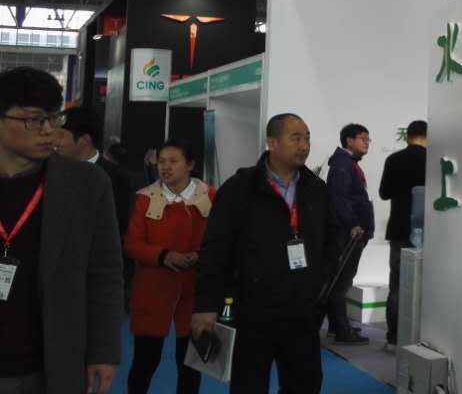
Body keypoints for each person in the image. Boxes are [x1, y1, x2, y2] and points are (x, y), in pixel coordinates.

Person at [193, 113, 346, 393]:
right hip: (252, 311)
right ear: (272, 143)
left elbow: (333, 238)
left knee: (306, 384)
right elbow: (215, 249)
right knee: (249, 386)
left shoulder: (315, 188)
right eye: (295, 138)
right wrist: (206, 304)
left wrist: (320, 280)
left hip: (302, 311)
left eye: (307, 138)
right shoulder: (240, 188)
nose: (304, 146)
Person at [0, 67, 122, 393]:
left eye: (54, 119)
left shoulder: (87, 184)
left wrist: (103, 350)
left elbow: (104, 273)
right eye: (33, 120)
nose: (48, 130)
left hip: (51, 359)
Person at [124, 140, 215, 394]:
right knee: (144, 361)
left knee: (190, 365)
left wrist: (200, 255)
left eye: (173, 161)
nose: (165, 167)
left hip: (195, 291)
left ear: (190, 165)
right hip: (152, 290)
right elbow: (132, 244)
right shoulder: (144, 198)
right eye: (161, 161)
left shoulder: (209, 196)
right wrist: (163, 255)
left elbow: (220, 240)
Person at [379, 119, 428, 347]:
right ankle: (420, 339)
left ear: (408, 136)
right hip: (428, 231)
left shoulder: (393, 159)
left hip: (399, 229)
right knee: (426, 285)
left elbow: (384, 193)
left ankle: (393, 339)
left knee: (397, 286)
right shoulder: (432, 160)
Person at [324, 123, 375, 344]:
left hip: (349, 231)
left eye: (368, 139)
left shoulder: (346, 162)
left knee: (342, 279)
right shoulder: (343, 164)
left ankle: (337, 325)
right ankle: (341, 330)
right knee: (341, 281)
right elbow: (339, 198)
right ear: (349, 140)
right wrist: (353, 223)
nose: (367, 143)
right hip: (347, 232)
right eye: (363, 138)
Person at [58, 107, 135, 245]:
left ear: (84, 140)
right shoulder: (53, 172)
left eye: (61, 136)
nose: (55, 142)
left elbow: (117, 230)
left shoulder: (115, 177)